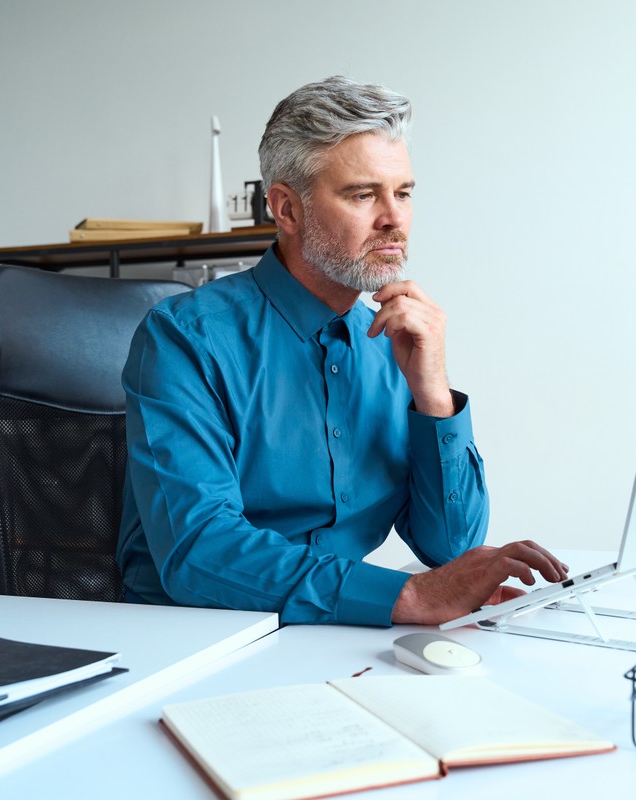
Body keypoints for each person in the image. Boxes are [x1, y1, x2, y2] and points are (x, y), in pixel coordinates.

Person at [116, 76, 568, 626]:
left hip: (339, 632)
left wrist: (433, 394)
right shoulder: (185, 338)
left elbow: (450, 546)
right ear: (286, 210)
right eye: (363, 194)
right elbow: (198, 551)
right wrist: (409, 598)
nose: (394, 218)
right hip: (193, 637)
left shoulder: (393, 343)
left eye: (403, 192)